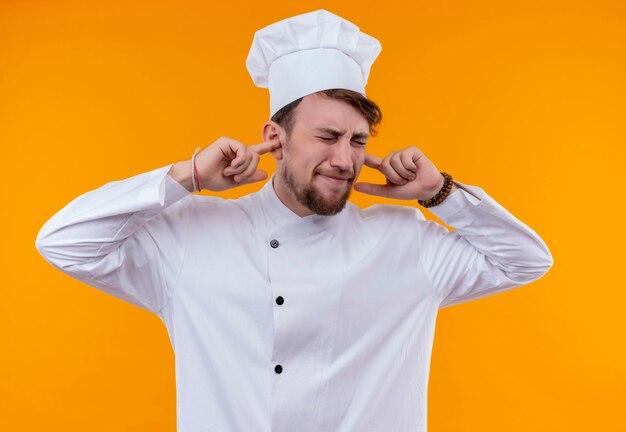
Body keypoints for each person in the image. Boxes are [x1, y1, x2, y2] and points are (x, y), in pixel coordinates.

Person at [35, 9, 553, 432]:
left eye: (358, 141)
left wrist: (442, 194)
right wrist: (187, 176)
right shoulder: (194, 234)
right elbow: (63, 243)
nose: (346, 160)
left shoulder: (406, 242)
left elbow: (527, 261)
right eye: (327, 137)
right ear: (274, 138)